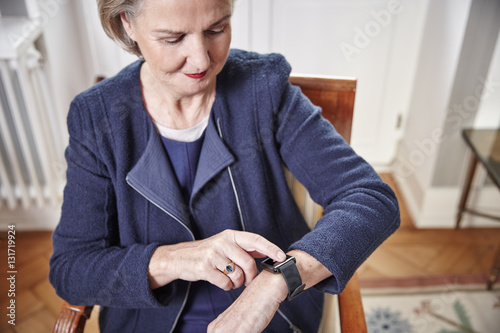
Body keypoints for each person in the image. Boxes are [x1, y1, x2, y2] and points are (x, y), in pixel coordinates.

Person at [49, 0, 400, 332]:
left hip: (273, 316)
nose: (201, 60)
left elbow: (370, 198)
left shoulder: (263, 88)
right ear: (128, 24)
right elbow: (71, 268)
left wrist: (279, 280)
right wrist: (175, 259)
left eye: (217, 29)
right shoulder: (96, 117)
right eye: (173, 38)